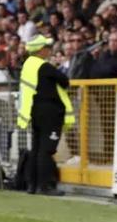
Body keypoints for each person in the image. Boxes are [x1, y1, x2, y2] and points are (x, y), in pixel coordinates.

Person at [18, 35, 75, 196]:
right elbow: (65, 80)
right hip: (50, 112)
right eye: (47, 48)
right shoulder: (44, 66)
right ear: (41, 50)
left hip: (35, 111)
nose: (49, 51)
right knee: (47, 150)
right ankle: (45, 185)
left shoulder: (28, 65)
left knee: (36, 148)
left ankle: (32, 185)